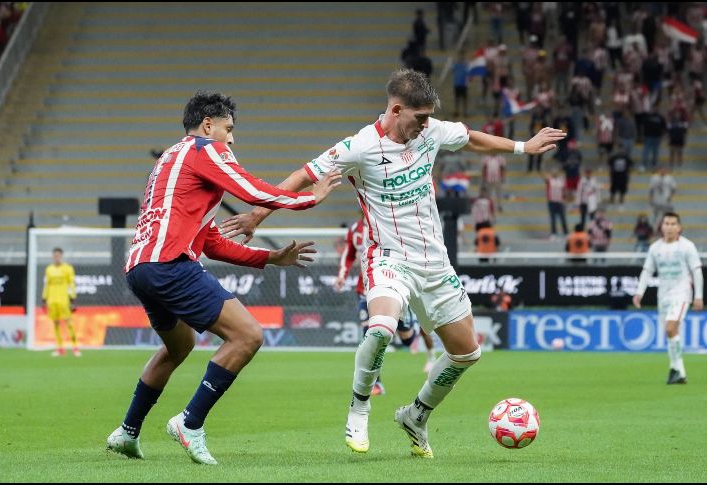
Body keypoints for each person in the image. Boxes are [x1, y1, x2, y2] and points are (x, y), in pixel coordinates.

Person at [220, 69, 564, 458]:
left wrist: (523, 147)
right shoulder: (359, 147)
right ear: (396, 110)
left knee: (467, 353)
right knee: (382, 327)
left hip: (435, 264)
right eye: (419, 118)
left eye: (428, 118)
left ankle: (416, 415)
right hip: (388, 258)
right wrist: (256, 217)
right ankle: (359, 406)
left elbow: (470, 138)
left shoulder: (430, 131)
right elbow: (303, 175)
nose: (426, 125)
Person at [105, 91, 341, 465]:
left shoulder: (171, 160)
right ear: (208, 125)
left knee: (178, 347)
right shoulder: (204, 151)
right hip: (169, 265)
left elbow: (212, 244)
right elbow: (249, 188)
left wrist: (271, 258)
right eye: (228, 129)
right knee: (248, 335)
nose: (232, 139)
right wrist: (308, 199)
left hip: (140, 269)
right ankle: (189, 422)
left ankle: (127, 432)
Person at [333, 218, 436, 395]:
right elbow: (349, 254)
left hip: (391, 285)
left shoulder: (388, 222)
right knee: (371, 334)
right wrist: (342, 275)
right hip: (365, 290)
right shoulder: (355, 230)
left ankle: (413, 329)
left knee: (406, 339)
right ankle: (376, 383)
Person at [633, 212, 703, 385]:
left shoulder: (687, 246)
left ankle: (677, 370)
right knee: (670, 332)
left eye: (673, 224)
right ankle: (677, 371)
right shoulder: (655, 248)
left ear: (679, 227)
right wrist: (639, 292)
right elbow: (647, 271)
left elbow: (697, 271)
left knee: (671, 328)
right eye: (667, 223)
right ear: (661, 226)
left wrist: (698, 296)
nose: (670, 227)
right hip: (663, 295)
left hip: (681, 293)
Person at [42, 248, 78, 357]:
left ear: (61, 256)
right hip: (52, 300)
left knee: (68, 322)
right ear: (53, 256)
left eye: (58, 255)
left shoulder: (67, 268)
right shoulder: (49, 269)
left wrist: (72, 298)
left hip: (64, 300)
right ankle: (60, 348)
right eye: (55, 255)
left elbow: (71, 283)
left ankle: (75, 347)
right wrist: (44, 298)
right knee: (55, 324)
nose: (56, 257)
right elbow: (46, 284)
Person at [543, 168, 568, 239]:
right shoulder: (549, 180)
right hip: (552, 202)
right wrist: (547, 175)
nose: (555, 173)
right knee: (553, 219)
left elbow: (564, 190)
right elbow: (546, 179)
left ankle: (566, 233)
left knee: (563, 218)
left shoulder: (561, 180)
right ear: (552, 173)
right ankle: (553, 233)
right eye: (553, 172)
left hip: (560, 202)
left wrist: (564, 199)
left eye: (556, 172)